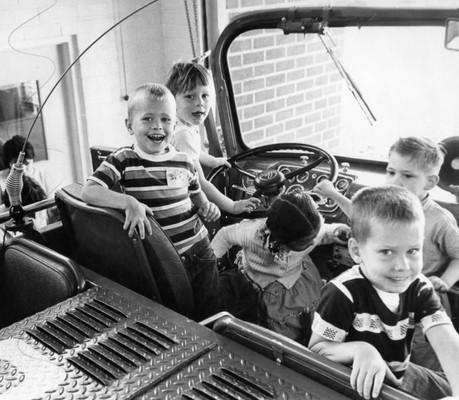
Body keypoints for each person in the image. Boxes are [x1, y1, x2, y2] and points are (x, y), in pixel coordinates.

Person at [313, 136, 459, 371]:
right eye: (390, 172)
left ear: (430, 182)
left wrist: (444, 281)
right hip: (384, 285)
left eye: (407, 176)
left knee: (424, 352)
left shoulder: (440, 220)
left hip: (421, 289)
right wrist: (333, 194)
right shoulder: (345, 292)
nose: (395, 181)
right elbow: (360, 215)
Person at [308, 185, 459, 400]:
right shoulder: (343, 293)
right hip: (352, 383)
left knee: (450, 387)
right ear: (355, 251)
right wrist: (360, 350)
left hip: (397, 375)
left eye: (413, 251)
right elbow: (317, 349)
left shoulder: (418, 287)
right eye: (387, 252)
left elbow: (447, 340)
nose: (402, 266)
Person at [81, 83, 221, 321]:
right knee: (178, 319)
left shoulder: (184, 160)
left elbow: (196, 194)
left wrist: (208, 206)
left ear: (174, 125)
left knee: (211, 314)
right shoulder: (124, 159)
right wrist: (128, 202)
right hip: (163, 259)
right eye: (148, 119)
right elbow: (89, 191)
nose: (158, 126)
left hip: (200, 250)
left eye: (166, 119)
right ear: (129, 126)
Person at [211, 191, 350, 345]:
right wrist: (211, 266)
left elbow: (325, 233)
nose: (312, 244)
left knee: (298, 321)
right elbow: (225, 235)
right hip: (253, 279)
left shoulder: (309, 232)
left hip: (293, 280)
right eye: (305, 243)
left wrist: (338, 232)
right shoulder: (251, 233)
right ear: (283, 239)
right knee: (267, 326)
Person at [165, 61, 260, 215]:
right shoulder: (183, 134)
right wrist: (232, 206)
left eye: (205, 95)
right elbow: (200, 183)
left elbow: (193, 152)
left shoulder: (183, 125)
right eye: (190, 96)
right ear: (172, 101)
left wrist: (213, 161)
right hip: (177, 207)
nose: (200, 103)